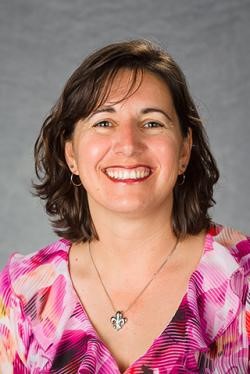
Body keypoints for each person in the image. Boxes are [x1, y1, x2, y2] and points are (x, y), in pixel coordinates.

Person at [0, 39, 249, 374]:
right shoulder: (24, 291)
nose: (129, 145)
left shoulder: (242, 279)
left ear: (184, 150)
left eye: (152, 123)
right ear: (71, 153)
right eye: (104, 122)